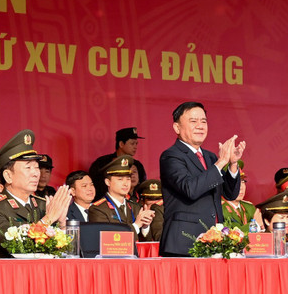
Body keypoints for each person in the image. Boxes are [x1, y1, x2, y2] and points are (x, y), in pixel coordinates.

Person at [159, 101, 244, 257]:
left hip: (215, 242)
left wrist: (232, 164)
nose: (200, 126)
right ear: (177, 128)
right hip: (184, 243)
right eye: (193, 121)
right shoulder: (171, 156)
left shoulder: (210, 157)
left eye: (203, 121)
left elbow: (230, 194)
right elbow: (190, 189)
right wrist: (221, 162)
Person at [0, 130, 71, 257]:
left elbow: (69, 253)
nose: (36, 173)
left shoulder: (44, 205)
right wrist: (48, 219)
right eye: (28, 168)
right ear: (8, 176)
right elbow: (17, 247)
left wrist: (62, 224)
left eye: (36, 167)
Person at [89, 156, 156, 241]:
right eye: (120, 179)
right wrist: (136, 225)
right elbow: (108, 240)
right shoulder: (98, 209)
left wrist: (145, 226)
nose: (125, 184)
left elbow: (146, 243)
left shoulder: (135, 207)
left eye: (128, 179)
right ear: (108, 182)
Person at [89, 127, 147, 200]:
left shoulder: (138, 165)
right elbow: (95, 185)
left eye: (136, 144)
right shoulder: (102, 162)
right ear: (121, 144)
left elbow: (142, 187)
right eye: (132, 143)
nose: (135, 147)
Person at [221, 164, 262, 234]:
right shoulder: (221, 208)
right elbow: (232, 234)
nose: (240, 187)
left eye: (243, 182)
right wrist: (255, 225)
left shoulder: (249, 207)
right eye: (236, 183)